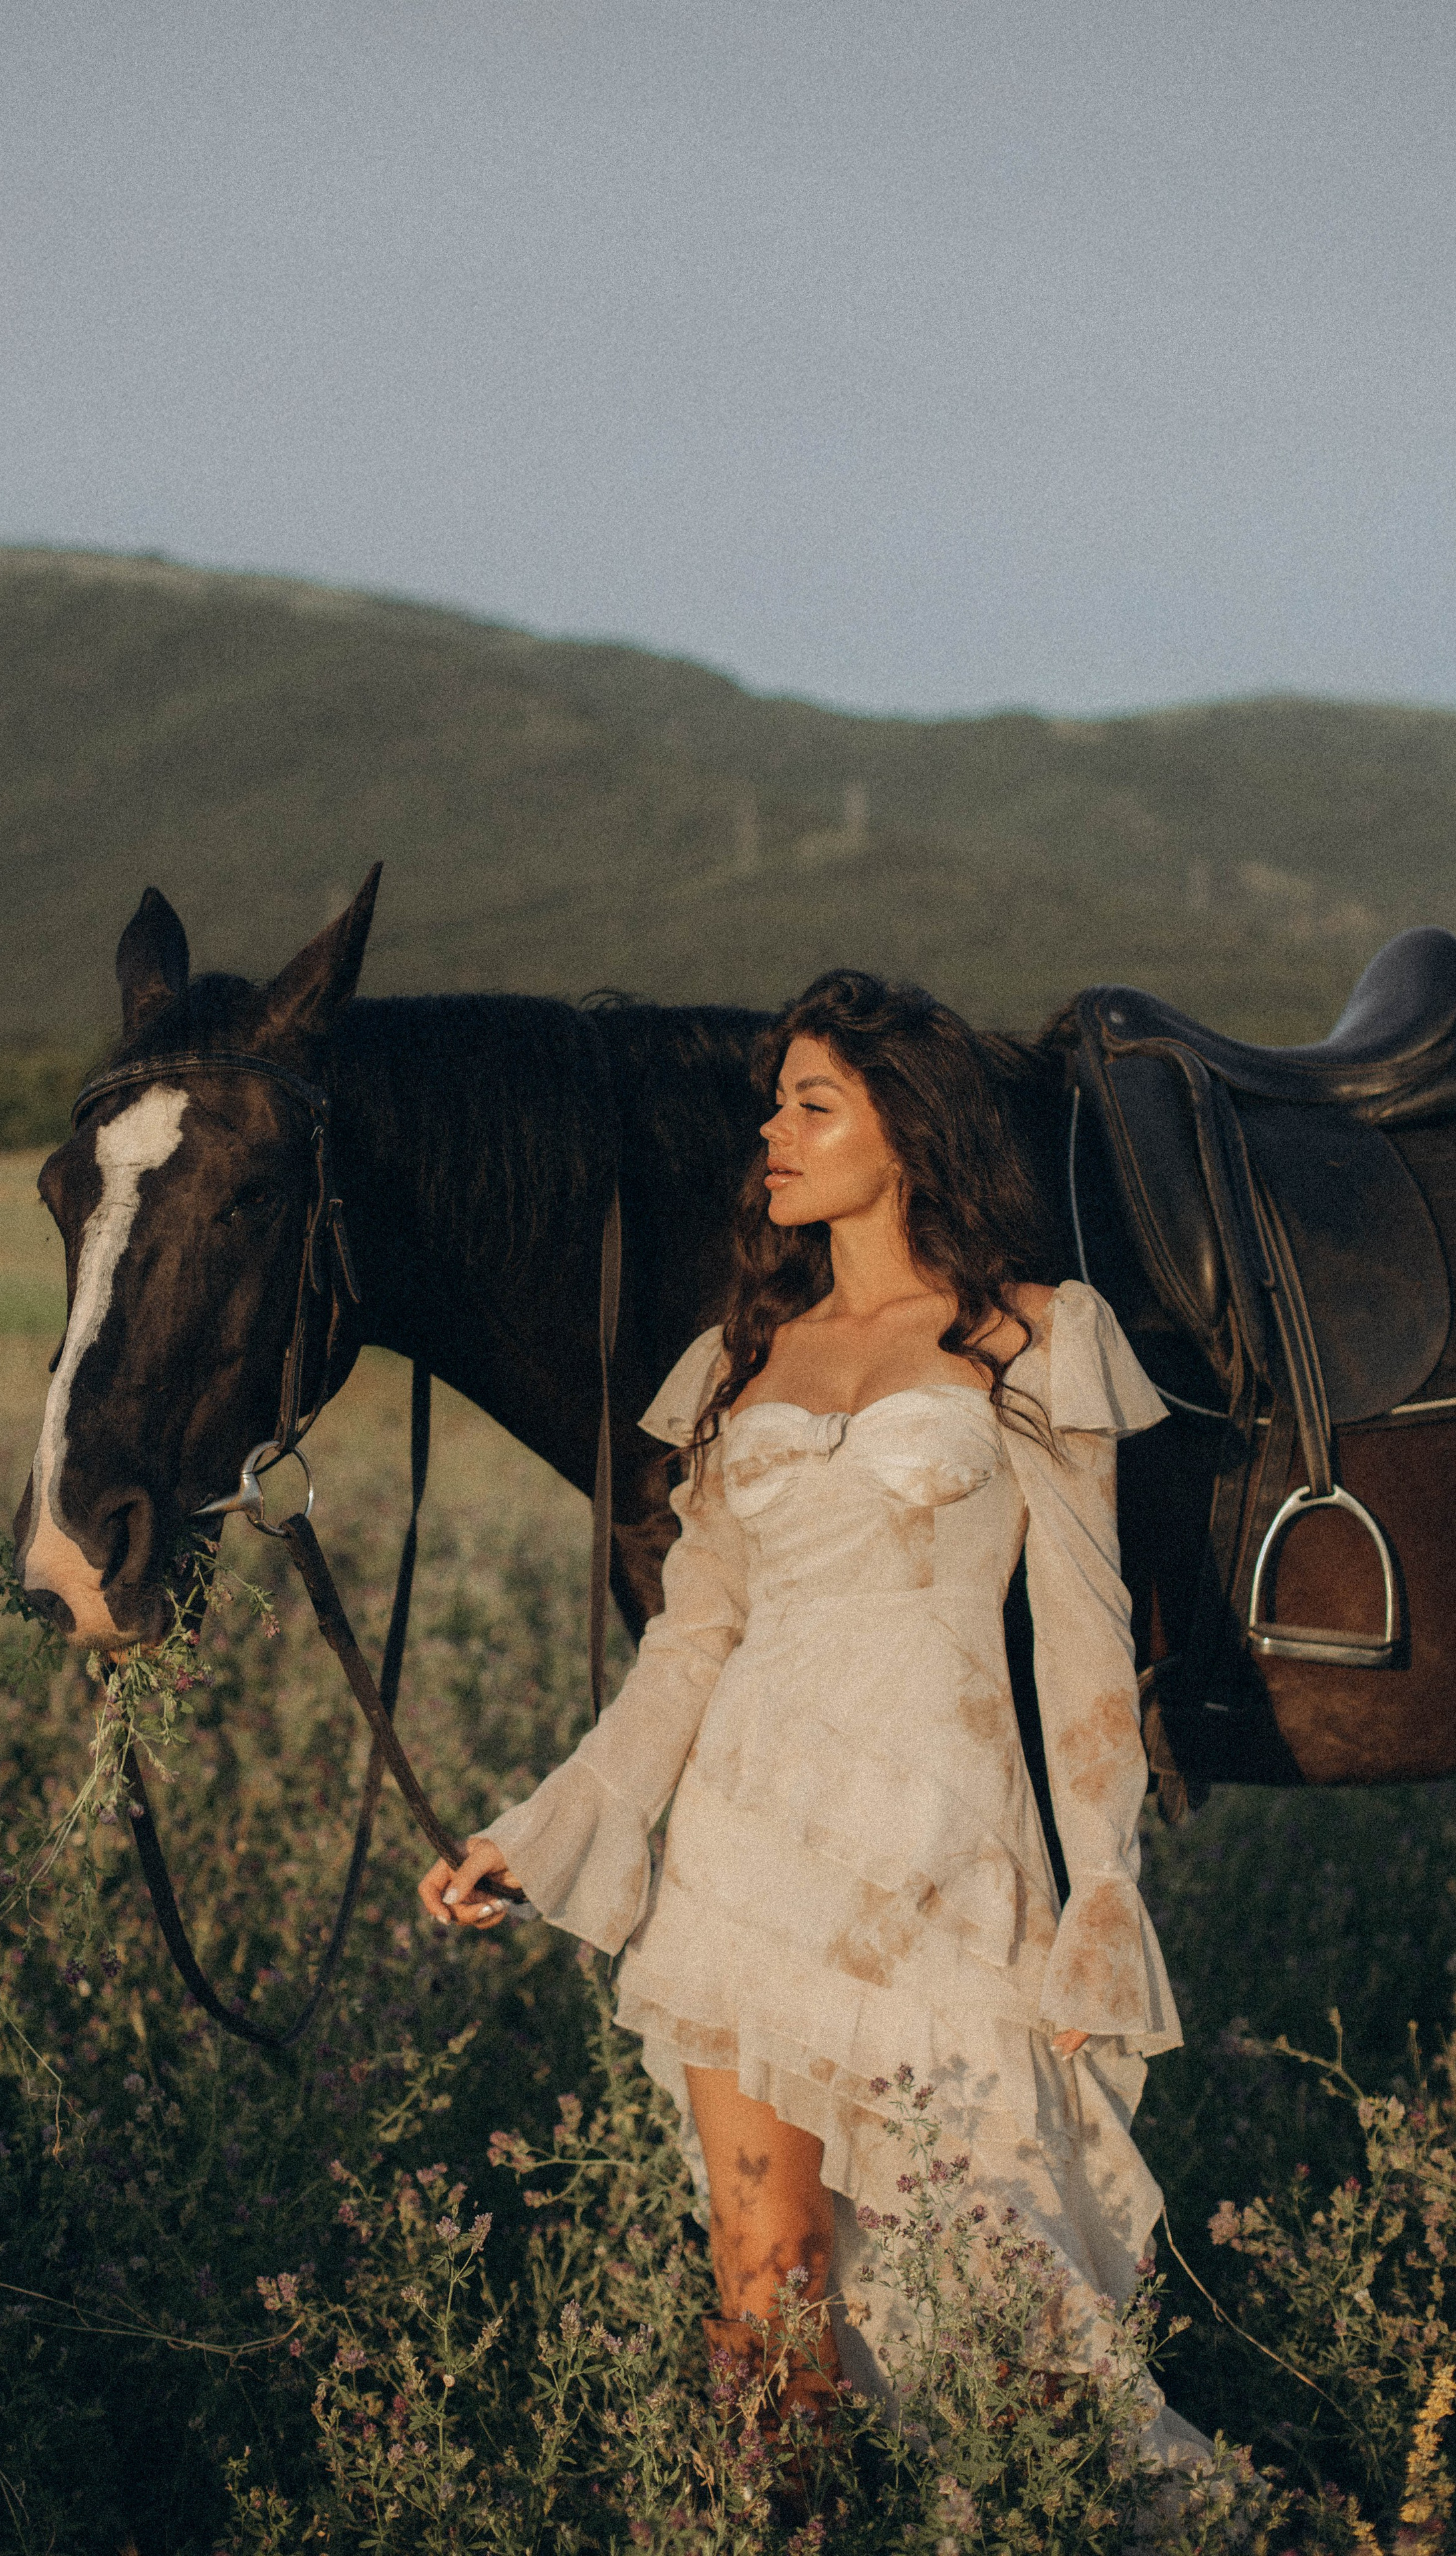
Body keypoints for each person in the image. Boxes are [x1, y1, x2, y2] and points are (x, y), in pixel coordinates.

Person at [419, 969, 1203, 2457]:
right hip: (739, 1857)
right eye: (774, 1102)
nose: (769, 1132)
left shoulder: (1032, 1335)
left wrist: (1101, 1883)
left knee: (1005, 2303)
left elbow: (1086, 1645)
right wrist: (549, 1829)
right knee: (765, 2294)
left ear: (905, 1130)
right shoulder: (737, 1358)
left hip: (938, 1854)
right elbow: (689, 1637)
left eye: (810, 1103)